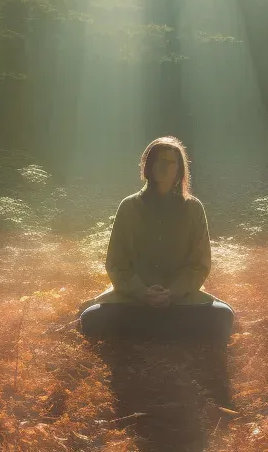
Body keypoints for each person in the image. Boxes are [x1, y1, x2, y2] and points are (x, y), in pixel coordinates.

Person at [78, 136, 235, 344]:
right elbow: (117, 264)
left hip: (181, 301)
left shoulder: (193, 209)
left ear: (179, 169)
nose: (163, 167)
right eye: (157, 161)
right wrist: (142, 293)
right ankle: (164, 329)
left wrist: (172, 293)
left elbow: (199, 265)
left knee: (223, 316)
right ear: (148, 166)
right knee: (90, 318)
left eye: (170, 162)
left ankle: (150, 329)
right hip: (133, 301)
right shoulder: (129, 207)